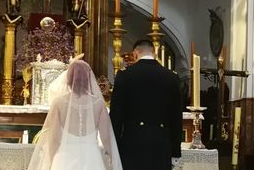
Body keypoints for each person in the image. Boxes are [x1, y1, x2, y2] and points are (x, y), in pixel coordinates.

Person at [27, 59, 122, 170]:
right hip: (91, 157)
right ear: (88, 79)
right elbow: (106, 137)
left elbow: (54, 138)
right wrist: (112, 157)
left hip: (64, 157)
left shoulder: (58, 102)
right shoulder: (98, 103)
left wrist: (49, 159)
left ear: (68, 78)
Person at [110, 40, 182, 170]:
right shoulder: (171, 77)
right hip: (161, 143)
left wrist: (114, 149)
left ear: (135, 53)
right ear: (154, 54)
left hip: (133, 142)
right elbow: (176, 118)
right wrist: (175, 151)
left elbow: (116, 116)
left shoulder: (124, 75)